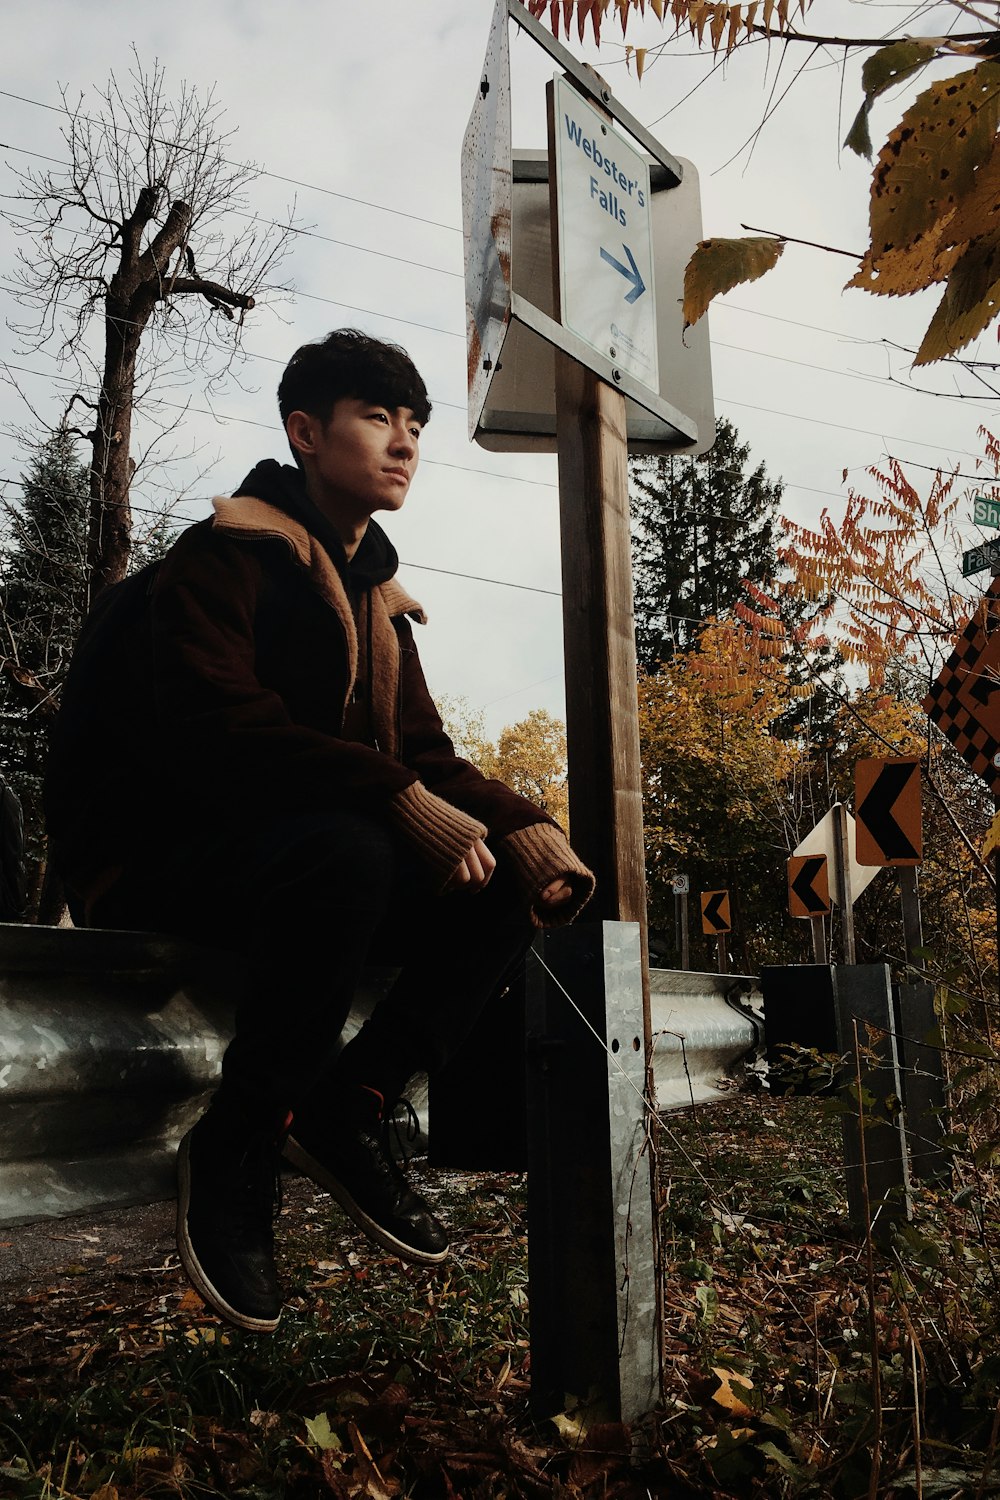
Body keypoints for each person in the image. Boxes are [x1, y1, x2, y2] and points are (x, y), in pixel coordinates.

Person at [44, 329, 594, 1333]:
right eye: (377, 417)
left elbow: (427, 756)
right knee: (358, 846)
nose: (405, 443)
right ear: (305, 432)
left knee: (495, 882)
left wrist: (528, 831)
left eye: (416, 425)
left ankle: (352, 1105)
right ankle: (237, 1146)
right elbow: (220, 727)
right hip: (159, 860)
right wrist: (389, 795)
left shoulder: (380, 601)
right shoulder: (223, 558)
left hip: (298, 873)